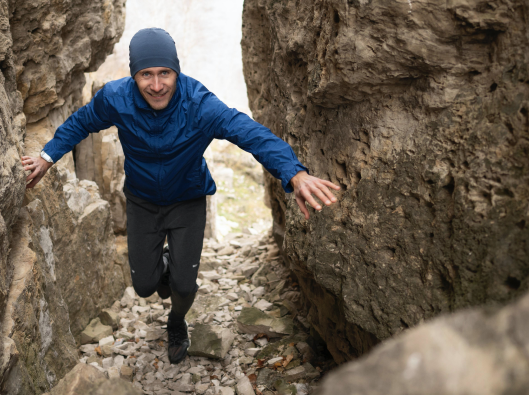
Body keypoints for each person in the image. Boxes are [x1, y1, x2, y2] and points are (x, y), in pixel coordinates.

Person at [21, 28, 339, 364]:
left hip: (187, 201)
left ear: (176, 71)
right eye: (146, 75)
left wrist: (295, 173)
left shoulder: (199, 105)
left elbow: (251, 134)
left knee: (184, 288)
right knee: (145, 285)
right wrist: (46, 157)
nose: (156, 85)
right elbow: (80, 123)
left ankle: (176, 322)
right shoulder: (115, 99)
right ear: (134, 76)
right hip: (142, 202)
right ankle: (166, 261)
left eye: (164, 74)